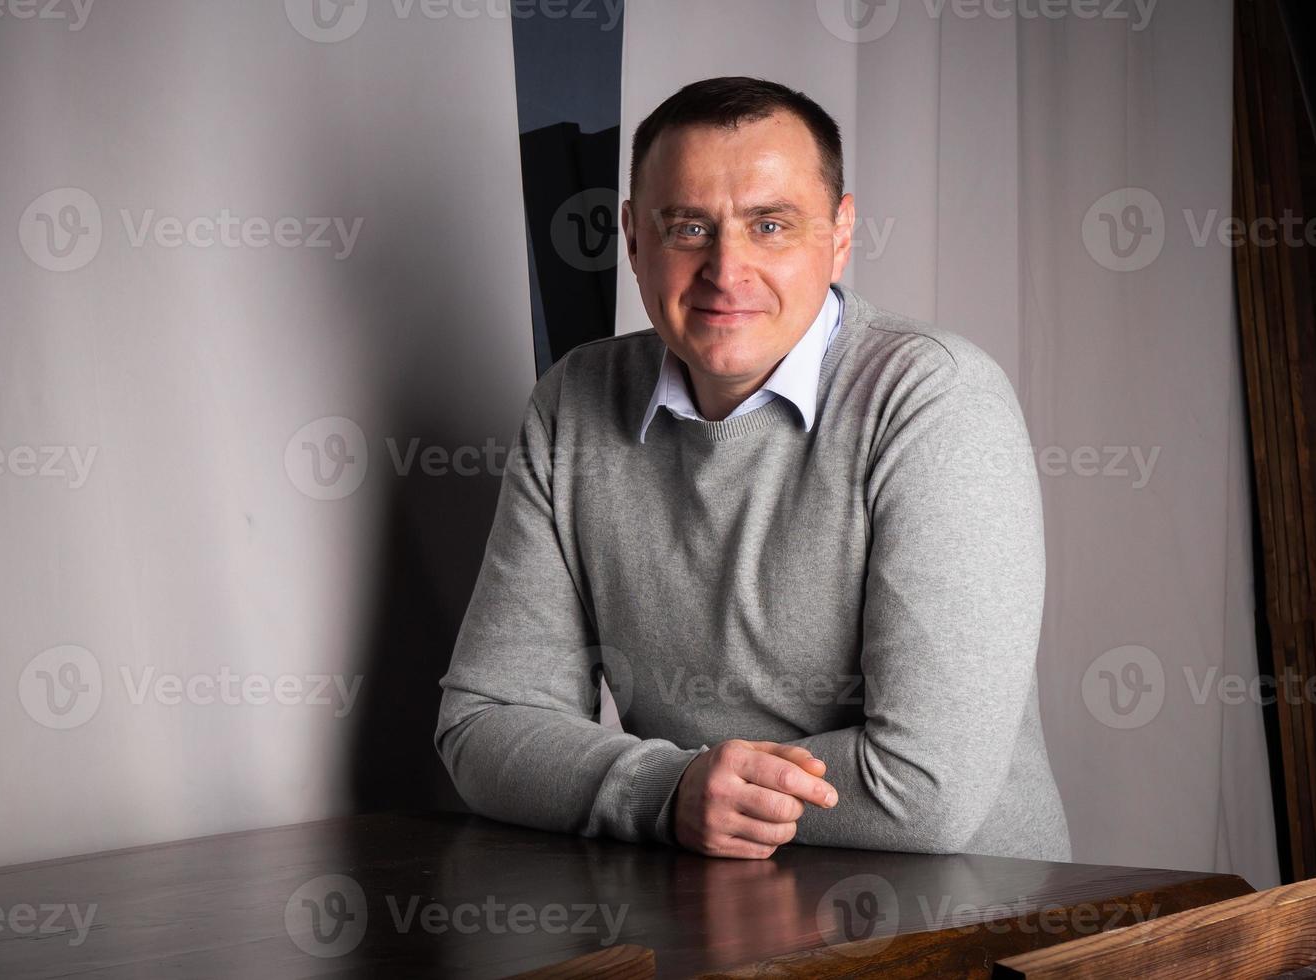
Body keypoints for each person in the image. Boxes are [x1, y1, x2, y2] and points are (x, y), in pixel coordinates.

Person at [435, 76, 1070, 862]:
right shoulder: (575, 400)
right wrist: (669, 791)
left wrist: (694, 790)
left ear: (840, 234)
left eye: (770, 225)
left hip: (960, 926)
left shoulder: (934, 398)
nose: (726, 271)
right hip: (705, 914)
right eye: (689, 228)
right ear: (633, 237)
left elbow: (923, 792)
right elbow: (484, 724)